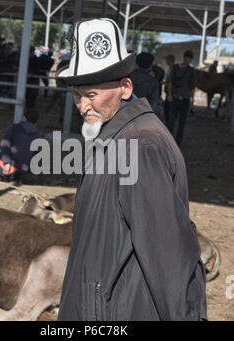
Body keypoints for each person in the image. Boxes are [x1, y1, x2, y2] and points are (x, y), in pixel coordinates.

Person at [57, 18, 207, 321]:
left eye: (92, 95)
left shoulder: (140, 146)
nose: (83, 106)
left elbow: (167, 253)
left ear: (125, 87)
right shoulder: (115, 134)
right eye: (77, 95)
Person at [0, 111, 40, 186]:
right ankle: (17, 178)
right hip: (21, 170)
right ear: (36, 122)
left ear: (23, 118)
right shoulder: (36, 135)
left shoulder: (14, 128)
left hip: (5, 169)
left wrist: (7, 163)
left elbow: (4, 144)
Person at [167, 50, 196, 146]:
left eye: (190, 58)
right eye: (187, 57)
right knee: (171, 121)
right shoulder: (175, 68)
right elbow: (170, 82)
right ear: (184, 57)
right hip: (175, 97)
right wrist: (169, 95)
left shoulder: (191, 71)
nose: (188, 59)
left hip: (185, 99)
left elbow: (192, 87)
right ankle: (169, 140)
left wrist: (192, 101)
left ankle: (177, 142)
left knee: (182, 122)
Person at [163, 54, 175, 125]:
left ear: (170, 60)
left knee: (169, 108)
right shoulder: (169, 68)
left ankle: (169, 122)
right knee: (167, 107)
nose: (166, 61)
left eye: (167, 59)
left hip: (171, 92)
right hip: (168, 92)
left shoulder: (173, 69)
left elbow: (170, 81)